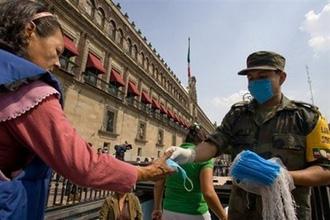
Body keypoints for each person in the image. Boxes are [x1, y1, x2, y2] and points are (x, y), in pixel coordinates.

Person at [0, 1, 173, 219]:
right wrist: (146, 172)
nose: (60, 63)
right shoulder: (29, 90)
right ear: (29, 31)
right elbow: (82, 164)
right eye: (57, 51)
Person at [168, 51, 330, 220]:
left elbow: (325, 170)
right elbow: (214, 143)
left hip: (286, 214)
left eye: (262, 76)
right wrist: (190, 154)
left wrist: (285, 177)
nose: (255, 82)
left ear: (281, 77)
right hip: (242, 213)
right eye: (251, 78)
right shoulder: (237, 115)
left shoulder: (307, 118)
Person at [152, 124, 227, 220]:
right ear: (203, 142)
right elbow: (208, 193)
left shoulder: (171, 154)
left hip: (169, 211)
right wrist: (224, 217)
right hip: (196, 213)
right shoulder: (205, 159)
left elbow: (158, 184)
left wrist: (157, 208)